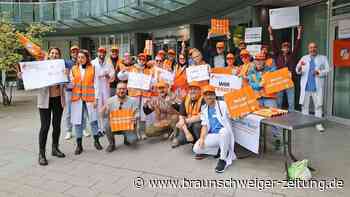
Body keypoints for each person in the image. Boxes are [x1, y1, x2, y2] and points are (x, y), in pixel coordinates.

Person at [18, 47, 66, 165]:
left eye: (56, 53)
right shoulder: (40, 66)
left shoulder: (61, 67)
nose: (54, 55)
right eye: (52, 53)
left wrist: (66, 77)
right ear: (49, 55)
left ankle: (55, 148)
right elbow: (31, 78)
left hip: (58, 100)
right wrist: (22, 76)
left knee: (57, 125)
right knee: (45, 127)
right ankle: (42, 154)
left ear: (59, 56)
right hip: (44, 101)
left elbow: (67, 84)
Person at [193, 85, 236, 173]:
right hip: (214, 136)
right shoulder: (204, 108)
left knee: (223, 131)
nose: (209, 96)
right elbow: (204, 126)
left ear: (215, 95)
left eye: (211, 94)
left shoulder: (223, 105)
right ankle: (219, 150)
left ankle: (223, 159)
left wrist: (237, 114)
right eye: (206, 94)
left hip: (224, 135)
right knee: (196, 148)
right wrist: (202, 139)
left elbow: (232, 114)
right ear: (203, 96)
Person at [70, 49, 103, 155]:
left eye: (82, 57)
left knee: (93, 120)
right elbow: (71, 84)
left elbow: (97, 84)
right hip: (77, 99)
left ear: (87, 58)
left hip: (90, 99)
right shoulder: (73, 69)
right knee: (77, 122)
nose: (80, 59)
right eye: (79, 57)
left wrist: (96, 99)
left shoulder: (93, 68)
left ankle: (96, 141)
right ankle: (79, 145)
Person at [247, 52, 281, 149]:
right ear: (254, 61)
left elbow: (276, 76)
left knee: (275, 118)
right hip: (257, 98)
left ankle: (277, 138)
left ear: (264, 61)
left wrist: (265, 79)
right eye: (257, 60)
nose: (259, 62)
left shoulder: (271, 69)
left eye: (261, 60)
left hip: (270, 97)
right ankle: (258, 139)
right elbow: (252, 84)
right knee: (256, 119)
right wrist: (259, 85)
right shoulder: (251, 71)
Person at [118, 53, 154, 139]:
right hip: (134, 95)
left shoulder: (148, 71)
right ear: (137, 59)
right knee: (134, 114)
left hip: (144, 95)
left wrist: (153, 84)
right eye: (140, 59)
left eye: (143, 60)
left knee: (143, 114)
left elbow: (152, 82)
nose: (141, 61)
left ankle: (142, 132)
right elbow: (121, 77)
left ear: (145, 61)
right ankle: (134, 132)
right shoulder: (131, 69)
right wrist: (122, 72)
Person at [296, 42, 329, 132]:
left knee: (318, 106)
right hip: (306, 86)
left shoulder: (323, 58)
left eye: (314, 47)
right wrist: (299, 68)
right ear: (308, 49)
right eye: (311, 47)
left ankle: (318, 124)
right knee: (304, 106)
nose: (312, 49)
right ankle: (305, 123)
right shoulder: (304, 58)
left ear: (316, 48)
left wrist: (318, 72)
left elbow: (327, 70)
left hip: (316, 87)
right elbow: (297, 69)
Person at [268, 25, 303, 112]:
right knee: (279, 100)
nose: (286, 48)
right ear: (281, 48)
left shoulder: (292, 55)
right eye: (284, 47)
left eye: (287, 47)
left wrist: (299, 32)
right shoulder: (277, 55)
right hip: (280, 80)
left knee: (291, 101)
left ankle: (291, 116)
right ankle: (279, 115)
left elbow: (297, 45)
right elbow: (273, 44)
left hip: (289, 80)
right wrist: (270, 33)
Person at [100, 82, 139, 152]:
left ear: (126, 90)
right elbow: (103, 116)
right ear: (116, 90)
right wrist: (103, 110)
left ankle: (127, 139)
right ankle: (111, 144)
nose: (121, 91)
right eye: (119, 89)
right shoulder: (110, 101)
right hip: (115, 126)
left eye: (123, 89)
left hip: (127, 126)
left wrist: (135, 117)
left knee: (133, 140)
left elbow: (137, 113)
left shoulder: (133, 100)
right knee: (106, 124)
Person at [172, 81, 204, 148]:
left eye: (195, 89)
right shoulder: (186, 99)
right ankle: (187, 139)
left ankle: (199, 144)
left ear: (199, 90)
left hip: (199, 124)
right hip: (188, 123)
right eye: (191, 89)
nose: (192, 91)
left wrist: (185, 121)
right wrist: (187, 133)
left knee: (197, 125)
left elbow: (201, 116)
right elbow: (181, 117)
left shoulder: (203, 99)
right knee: (181, 138)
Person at [92, 47, 115, 135]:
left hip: (105, 88)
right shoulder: (92, 63)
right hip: (96, 88)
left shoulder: (109, 63)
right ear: (97, 53)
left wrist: (108, 76)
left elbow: (112, 76)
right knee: (97, 108)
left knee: (106, 108)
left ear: (105, 54)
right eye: (100, 52)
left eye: (103, 53)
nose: (101, 54)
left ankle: (106, 127)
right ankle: (99, 128)